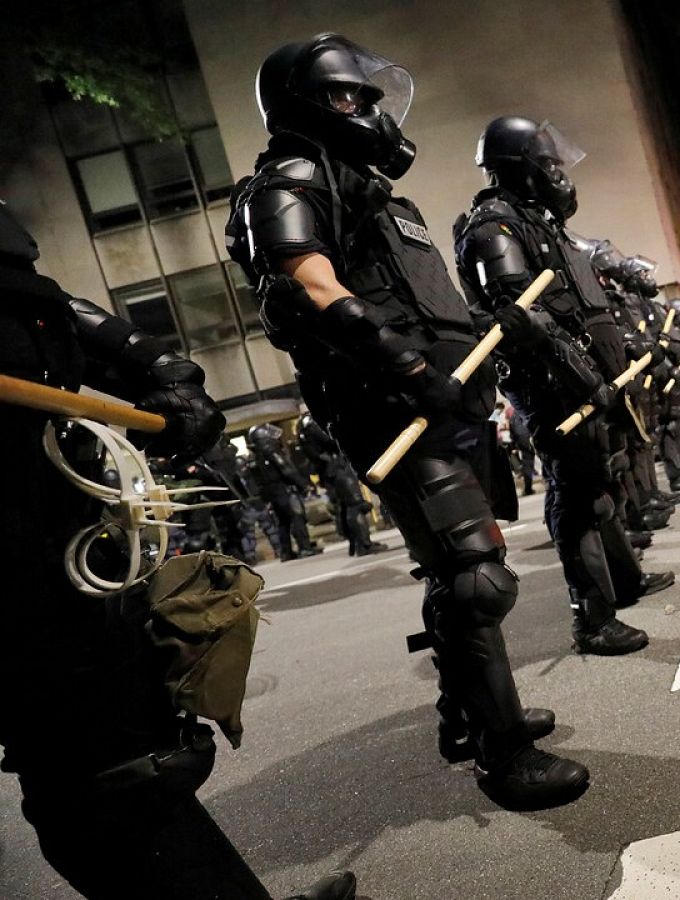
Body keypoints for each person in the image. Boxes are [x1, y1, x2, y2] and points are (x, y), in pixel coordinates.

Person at [225, 34, 587, 810]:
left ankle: (468, 714)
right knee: (475, 578)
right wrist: (409, 367)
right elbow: (307, 288)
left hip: (445, 403)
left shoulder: (374, 192)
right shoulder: (288, 180)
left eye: (366, 97)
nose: (367, 111)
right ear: (304, 105)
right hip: (391, 406)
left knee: (463, 574)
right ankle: (505, 752)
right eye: (347, 98)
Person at [0, 202, 354, 899]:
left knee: (140, 756)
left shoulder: (16, 288)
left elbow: (82, 329)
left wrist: (171, 380)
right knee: (104, 777)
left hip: (70, 552)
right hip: (14, 587)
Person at [454, 114, 668, 657]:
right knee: (575, 497)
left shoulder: (540, 223)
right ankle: (592, 619)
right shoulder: (494, 228)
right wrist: (586, 378)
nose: (559, 175)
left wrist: (620, 352)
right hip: (552, 386)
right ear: (516, 169)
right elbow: (527, 318)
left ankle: (625, 580)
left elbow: (580, 308)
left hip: (587, 381)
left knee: (601, 482)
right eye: (548, 164)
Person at [297, 413, 388, 556]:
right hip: (337, 467)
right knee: (355, 504)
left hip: (331, 469)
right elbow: (332, 440)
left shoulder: (304, 426)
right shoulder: (312, 424)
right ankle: (364, 544)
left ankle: (356, 543)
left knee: (345, 507)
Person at [245, 423, 323, 560]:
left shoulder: (254, 457)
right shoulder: (270, 450)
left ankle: (286, 552)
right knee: (296, 516)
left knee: (283, 522)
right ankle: (305, 547)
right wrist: (303, 484)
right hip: (283, 489)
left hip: (272, 493)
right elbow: (285, 468)